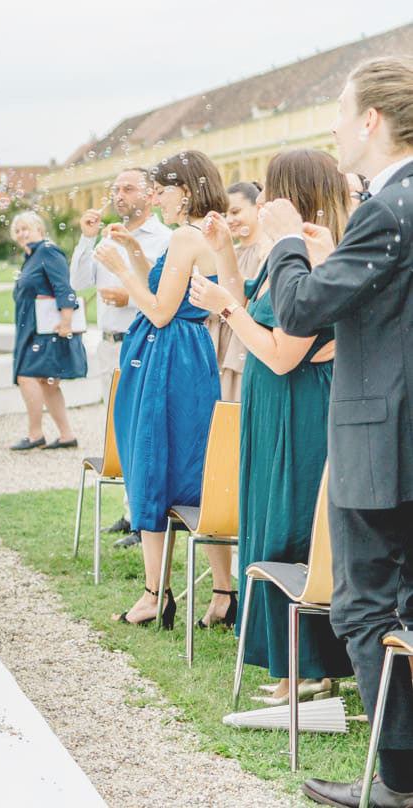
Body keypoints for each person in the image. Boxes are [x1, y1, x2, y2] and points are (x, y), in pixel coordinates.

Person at [258, 58, 413, 808]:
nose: (331, 127)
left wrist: (285, 242)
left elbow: (297, 310)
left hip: (384, 441)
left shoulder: (390, 207)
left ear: (371, 121)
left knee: (363, 606)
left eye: (340, 111)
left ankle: (400, 780)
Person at [188, 150, 352, 704]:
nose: (263, 201)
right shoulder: (288, 254)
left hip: (298, 409)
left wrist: (225, 310)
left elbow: (283, 354)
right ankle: (289, 665)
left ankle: (308, 669)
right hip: (273, 410)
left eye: (272, 190)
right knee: (269, 520)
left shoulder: (314, 257)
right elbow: (251, 298)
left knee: (291, 527)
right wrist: (224, 253)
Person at [94, 150, 234, 631]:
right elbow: (167, 282)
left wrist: (120, 268)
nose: (157, 198)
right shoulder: (204, 235)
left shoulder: (184, 236)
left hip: (165, 360)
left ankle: (156, 594)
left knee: (151, 462)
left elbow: (158, 309)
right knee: (195, 473)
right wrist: (133, 252)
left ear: (186, 191)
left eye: (163, 190)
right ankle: (223, 592)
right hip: (189, 357)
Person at [69, 166, 171, 544]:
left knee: (140, 430)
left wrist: (131, 298)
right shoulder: (107, 238)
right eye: (115, 188)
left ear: (149, 194)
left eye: (128, 188)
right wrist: (86, 238)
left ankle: (144, 519)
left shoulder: (164, 238)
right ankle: (132, 513)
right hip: (109, 343)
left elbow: (166, 294)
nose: (119, 195)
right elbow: (77, 284)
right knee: (116, 429)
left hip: (143, 343)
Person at [7, 210, 86, 450]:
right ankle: (66, 436)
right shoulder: (31, 256)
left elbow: (63, 286)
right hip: (32, 328)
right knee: (47, 383)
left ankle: (35, 435)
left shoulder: (48, 250)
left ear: (40, 230)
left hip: (46, 329)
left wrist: (66, 320)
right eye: (18, 230)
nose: (21, 233)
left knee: (27, 376)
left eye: (26, 228)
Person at [215, 181, 271, 401]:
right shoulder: (230, 251)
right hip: (225, 341)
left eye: (236, 211)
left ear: (258, 208)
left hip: (249, 343)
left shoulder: (268, 250)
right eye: (225, 214)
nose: (229, 220)